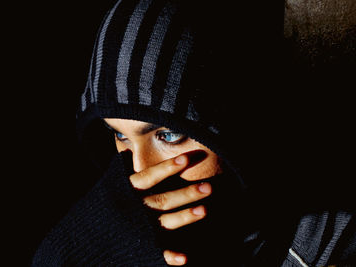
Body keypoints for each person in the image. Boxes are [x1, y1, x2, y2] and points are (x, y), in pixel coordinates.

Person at [32, 0, 356, 266]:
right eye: (120, 136)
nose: (139, 170)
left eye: (169, 134)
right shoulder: (119, 243)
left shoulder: (333, 240)